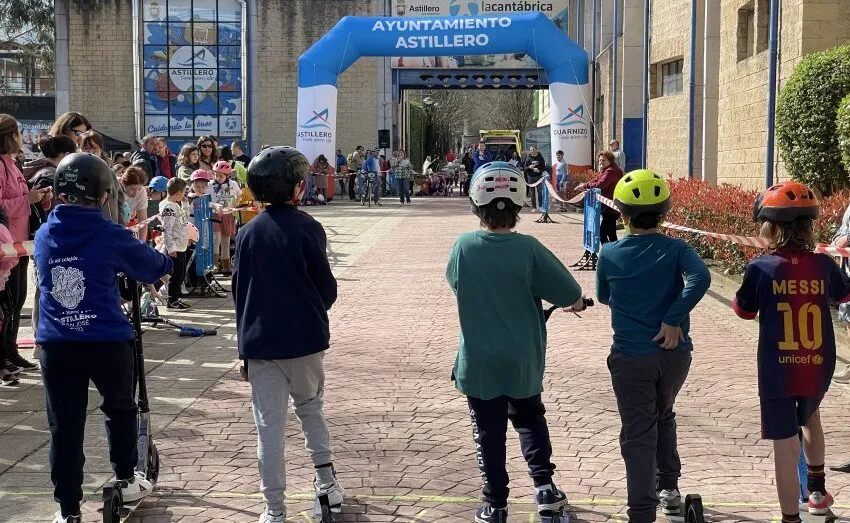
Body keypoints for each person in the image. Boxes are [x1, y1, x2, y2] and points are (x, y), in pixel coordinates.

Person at [36, 152, 173, 523]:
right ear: (102, 194)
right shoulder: (108, 233)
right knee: (119, 407)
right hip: (104, 338)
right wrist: (166, 253)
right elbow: (153, 265)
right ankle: (127, 476)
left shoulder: (45, 233)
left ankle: (67, 509)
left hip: (57, 342)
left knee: (64, 426)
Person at [446, 161, 586, 523]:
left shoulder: (464, 247)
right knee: (529, 420)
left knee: (488, 430)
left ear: (476, 204)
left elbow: (456, 282)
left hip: (478, 361)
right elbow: (570, 291)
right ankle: (544, 489)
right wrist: (572, 302)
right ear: (521, 203)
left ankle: (495, 503)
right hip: (523, 358)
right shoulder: (528, 249)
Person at [233, 146, 343, 523]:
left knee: (269, 427)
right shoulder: (308, 227)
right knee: (310, 408)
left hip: (262, 343)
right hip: (305, 339)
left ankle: (274, 508)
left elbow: (240, 293)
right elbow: (326, 288)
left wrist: (243, 348)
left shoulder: (247, 233)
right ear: (297, 187)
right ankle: (327, 482)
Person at [596, 169, 710, 523]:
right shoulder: (677, 248)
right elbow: (701, 277)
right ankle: (669, 487)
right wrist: (674, 317)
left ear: (623, 215)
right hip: (674, 356)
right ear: (664, 213)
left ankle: (641, 512)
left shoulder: (610, 253)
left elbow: (603, 296)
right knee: (663, 414)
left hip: (631, 358)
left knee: (638, 431)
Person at [733, 181, 850, 522]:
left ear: (770, 227)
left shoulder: (761, 267)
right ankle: (816, 490)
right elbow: (843, 295)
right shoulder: (823, 266)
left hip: (777, 369)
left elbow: (744, 310)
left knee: (784, 447)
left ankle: (790, 518)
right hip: (817, 364)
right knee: (811, 415)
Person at [0, 115, 51, 374]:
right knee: (7, 302)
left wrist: (38, 198)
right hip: (5, 246)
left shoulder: (13, 163)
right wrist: (27, 199)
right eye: (18, 132)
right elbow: (2, 205)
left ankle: (10, 350)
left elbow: (20, 199)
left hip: (20, 243)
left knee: (17, 299)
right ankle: (4, 354)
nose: (21, 137)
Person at [576, 151, 624, 245]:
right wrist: (584, 184)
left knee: (602, 234)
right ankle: (615, 254)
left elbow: (600, 184)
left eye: (603, 160)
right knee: (611, 234)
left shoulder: (611, 171)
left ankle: (607, 255)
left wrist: (585, 186)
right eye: (600, 160)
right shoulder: (607, 170)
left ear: (610, 160)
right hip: (610, 208)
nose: (601, 162)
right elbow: (597, 180)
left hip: (611, 209)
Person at [159, 177, 191, 310]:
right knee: (175, 275)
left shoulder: (175, 205)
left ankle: (177, 297)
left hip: (181, 245)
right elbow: (167, 230)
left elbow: (184, 219)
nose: (184, 195)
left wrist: (185, 204)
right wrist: (171, 247)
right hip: (175, 247)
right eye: (183, 193)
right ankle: (172, 300)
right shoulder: (169, 208)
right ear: (178, 193)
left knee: (181, 274)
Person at [211, 160, 240, 275]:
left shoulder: (233, 185)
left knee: (226, 240)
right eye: (216, 175)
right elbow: (204, 196)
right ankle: (215, 264)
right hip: (215, 214)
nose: (217, 177)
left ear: (227, 175)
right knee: (216, 238)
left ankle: (226, 266)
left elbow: (239, 194)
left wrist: (236, 204)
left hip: (228, 215)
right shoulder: (211, 184)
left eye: (221, 175)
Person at [121, 166, 150, 241]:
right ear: (124, 184)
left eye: (139, 189)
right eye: (133, 189)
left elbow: (143, 222)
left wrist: (142, 244)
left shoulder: (142, 192)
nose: (135, 194)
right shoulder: (114, 187)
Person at [523, 146, 547, 211]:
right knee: (532, 193)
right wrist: (529, 167)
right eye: (531, 150)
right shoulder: (528, 158)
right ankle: (534, 207)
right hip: (530, 177)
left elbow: (544, 167)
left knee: (539, 192)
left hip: (539, 177)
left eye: (533, 149)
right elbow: (524, 169)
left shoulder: (540, 157)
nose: (532, 151)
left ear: (536, 150)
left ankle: (541, 206)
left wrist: (539, 170)